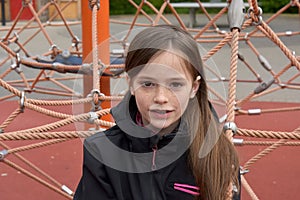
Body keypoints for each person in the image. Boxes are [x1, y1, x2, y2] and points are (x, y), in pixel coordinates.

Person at [74, 24, 240, 200]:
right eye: (148, 84)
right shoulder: (102, 150)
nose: (161, 97)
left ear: (194, 87)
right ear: (131, 84)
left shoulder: (218, 153)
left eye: (175, 85)